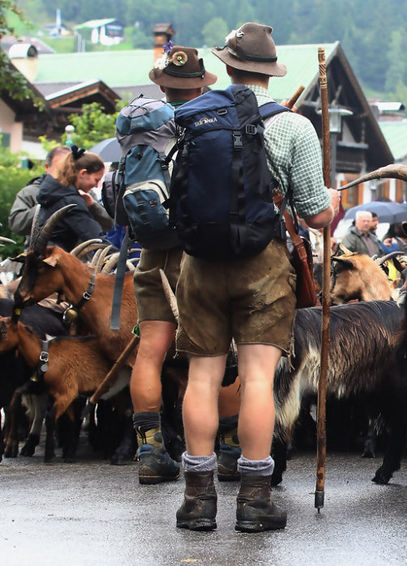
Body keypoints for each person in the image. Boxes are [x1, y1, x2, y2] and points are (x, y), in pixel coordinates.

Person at [174, 22, 340, 533]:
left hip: (199, 261)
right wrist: (331, 203)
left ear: (225, 66)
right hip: (263, 264)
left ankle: (198, 501)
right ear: (270, 72)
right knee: (259, 379)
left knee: (202, 377)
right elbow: (315, 216)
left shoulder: (191, 116)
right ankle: (253, 500)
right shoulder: (294, 127)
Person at [129, 46, 224, 486]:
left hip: (151, 250)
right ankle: (229, 450)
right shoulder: (207, 124)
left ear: (161, 84)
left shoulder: (143, 129)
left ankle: (150, 451)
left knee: (150, 349)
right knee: (218, 353)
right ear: (202, 85)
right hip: (197, 253)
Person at [36, 145, 112, 251]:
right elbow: (95, 238)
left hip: (43, 258)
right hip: (56, 261)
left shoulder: (53, 193)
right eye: (96, 180)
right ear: (83, 173)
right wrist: (118, 260)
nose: (96, 185)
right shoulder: (70, 201)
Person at [9, 145, 71, 243]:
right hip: (41, 254)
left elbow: (101, 226)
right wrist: (46, 206)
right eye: (59, 167)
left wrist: (92, 206)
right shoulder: (29, 192)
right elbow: (17, 224)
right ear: (47, 167)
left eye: (70, 167)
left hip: (77, 256)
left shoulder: (84, 193)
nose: (64, 171)